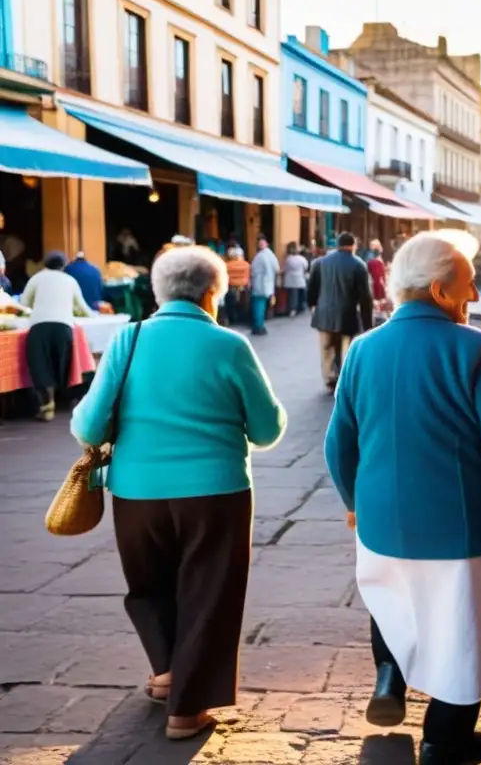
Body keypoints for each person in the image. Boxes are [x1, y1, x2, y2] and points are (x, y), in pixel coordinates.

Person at [324, 231, 481, 765]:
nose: (472, 296)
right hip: (465, 526)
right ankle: (443, 741)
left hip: (383, 520)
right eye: (468, 286)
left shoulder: (362, 350)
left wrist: (353, 502)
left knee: (398, 603)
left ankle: (390, 673)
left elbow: (340, 443)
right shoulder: (477, 348)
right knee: (463, 632)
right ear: (439, 290)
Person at [70, 246, 286, 741]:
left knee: (149, 586)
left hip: (136, 493)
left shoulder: (129, 339)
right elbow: (268, 428)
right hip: (216, 493)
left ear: (158, 292)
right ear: (213, 293)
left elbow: (88, 423)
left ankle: (168, 672)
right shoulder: (229, 345)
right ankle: (187, 709)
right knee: (209, 593)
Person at [20, 252, 94, 421]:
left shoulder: (36, 279)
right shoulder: (70, 281)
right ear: (64, 265)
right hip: (63, 327)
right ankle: (63, 401)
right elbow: (83, 307)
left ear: (45, 264)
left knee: (40, 364)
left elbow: (24, 304)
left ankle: (47, 405)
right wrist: (96, 315)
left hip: (39, 326)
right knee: (60, 363)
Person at [307, 232, 373, 390]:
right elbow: (365, 298)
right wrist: (368, 324)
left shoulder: (319, 263)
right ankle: (345, 378)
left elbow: (311, 290)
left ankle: (330, 378)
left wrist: (313, 305)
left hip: (324, 314)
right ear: (353, 246)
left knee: (327, 348)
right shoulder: (358, 265)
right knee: (346, 349)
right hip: (347, 314)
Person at [249, 235, 279, 336]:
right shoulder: (271, 255)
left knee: (258, 305)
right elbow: (276, 268)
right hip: (267, 285)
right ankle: (260, 325)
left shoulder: (259, 256)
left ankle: (258, 326)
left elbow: (252, 271)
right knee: (262, 305)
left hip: (259, 284)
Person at [223, 246, 250, 326]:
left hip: (230, 287)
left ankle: (232, 320)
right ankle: (242, 319)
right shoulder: (246, 265)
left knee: (230, 305)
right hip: (243, 287)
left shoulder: (226, 265)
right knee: (243, 304)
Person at [283, 242, 310, 316]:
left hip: (290, 280)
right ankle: (300, 308)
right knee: (300, 295)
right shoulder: (302, 259)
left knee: (292, 295)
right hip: (300, 279)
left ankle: (292, 309)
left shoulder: (288, 259)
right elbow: (306, 267)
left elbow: (285, 269)